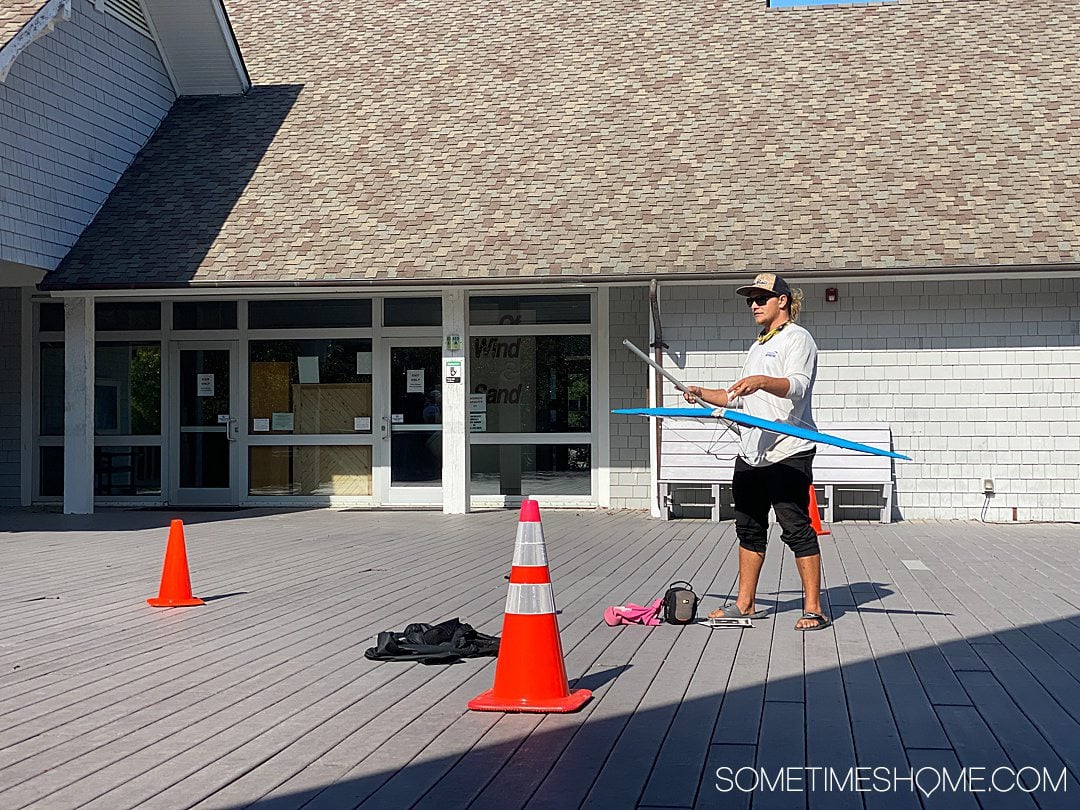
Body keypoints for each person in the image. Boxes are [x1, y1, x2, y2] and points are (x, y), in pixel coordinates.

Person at [684, 272, 829, 631]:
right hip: (752, 451)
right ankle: (744, 605)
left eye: (761, 298)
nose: (754, 304)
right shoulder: (759, 344)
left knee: (796, 527)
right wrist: (702, 392)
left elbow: (797, 386)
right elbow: (736, 398)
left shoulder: (798, 339)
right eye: (750, 299)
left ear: (782, 301)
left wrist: (761, 381)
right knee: (748, 528)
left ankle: (814, 609)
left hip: (788, 449)